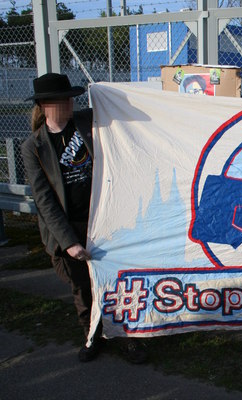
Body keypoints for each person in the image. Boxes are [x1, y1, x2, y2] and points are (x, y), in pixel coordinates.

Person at [21, 73, 147, 363]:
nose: (69, 102)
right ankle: (94, 336)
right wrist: (68, 243)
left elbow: (123, 108)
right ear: (44, 106)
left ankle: (130, 337)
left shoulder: (86, 122)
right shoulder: (34, 147)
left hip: (104, 220)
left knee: (118, 282)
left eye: (70, 98)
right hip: (68, 228)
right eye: (62, 99)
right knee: (84, 289)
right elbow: (44, 200)